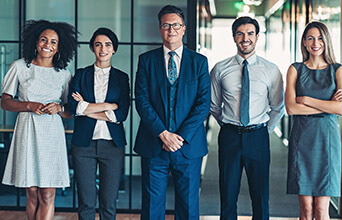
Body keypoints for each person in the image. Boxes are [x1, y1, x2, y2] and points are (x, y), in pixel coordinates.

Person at [134, 5, 210, 220]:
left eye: (176, 25)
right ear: (160, 29)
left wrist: (179, 136)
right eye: (166, 25)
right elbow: (142, 100)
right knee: (151, 206)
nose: (171, 30)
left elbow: (203, 104)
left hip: (188, 146)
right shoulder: (146, 61)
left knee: (188, 206)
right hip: (154, 143)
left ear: (184, 29)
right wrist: (162, 133)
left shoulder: (199, 62)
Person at [1, 20, 77, 220]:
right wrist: (29, 105)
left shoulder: (63, 75)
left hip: (52, 135)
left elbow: (69, 111)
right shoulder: (19, 67)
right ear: (35, 42)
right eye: (44, 39)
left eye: (53, 41)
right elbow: (5, 102)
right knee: (32, 193)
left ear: (59, 47)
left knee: (47, 193)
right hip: (27, 132)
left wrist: (59, 108)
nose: (47, 45)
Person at [210, 16, 284, 220]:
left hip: (258, 136)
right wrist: (228, 126)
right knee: (227, 194)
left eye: (250, 33)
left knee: (260, 197)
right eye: (240, 33)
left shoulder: (271, 70)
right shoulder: (220, 69)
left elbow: (278, 107)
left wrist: (262, 131)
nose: (245, 38)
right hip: (229, 137)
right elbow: (214, 106)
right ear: (234, 37)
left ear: (258, 37)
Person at [285, 21, 342, 219]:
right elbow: (291, 108)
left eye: (320, 38)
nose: (315, 42)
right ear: (303, 42)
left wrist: (307, 100)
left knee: (322, 209)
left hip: (327, 143)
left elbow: (340, 108)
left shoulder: (338, 70)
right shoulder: (295, 69)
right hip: (302, 141)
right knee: (306, 209)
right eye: (310, 38)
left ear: (326, 41)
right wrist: (325, 104)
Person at [67, 27, 130, 220]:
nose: (103, 49)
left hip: (112, 145)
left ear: (114, 49)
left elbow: (121, 114)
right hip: (83, 145)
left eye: (108, 45)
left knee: (108, 203)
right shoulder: (81, 74)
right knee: (86, 202)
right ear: (93, 48)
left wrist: (87, 107)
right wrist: (107, 106)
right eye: (98, 44)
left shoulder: (122, 78)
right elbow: (73, 108)